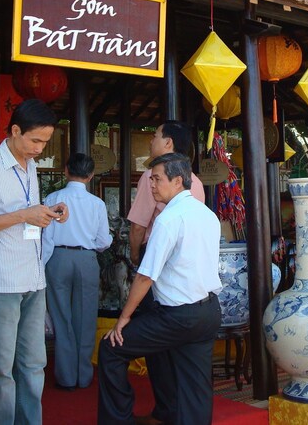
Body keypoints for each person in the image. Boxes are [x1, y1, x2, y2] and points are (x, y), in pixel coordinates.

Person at [0, 99, 69, 425]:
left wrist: (47, 213)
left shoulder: (30, 166)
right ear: (14, 131)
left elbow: (23, 216)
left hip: (34, 279)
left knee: (33, 365)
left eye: (45, 142)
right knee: (0, 369)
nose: (40, 148)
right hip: (1, 283)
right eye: (35, 140)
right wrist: (25, 214)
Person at [98, 153, 222, 425]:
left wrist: (123, 319)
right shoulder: (207, 214)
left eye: (156, 179)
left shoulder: (168, 219)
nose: (151, 185)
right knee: (195, 385)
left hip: (177, 316)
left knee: (111, 348)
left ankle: (118, 420)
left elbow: (145, 277)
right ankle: (167, 414)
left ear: (178, 181)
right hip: (208, 311)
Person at [127, 121, 205, 425]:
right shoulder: (194, 181)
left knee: (155, 339)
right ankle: (182, 411)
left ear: (169, 143)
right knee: (181, 345)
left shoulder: (152, 176)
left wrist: (136, 257)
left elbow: (137, 226)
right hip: (186, 265)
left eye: (156, 136)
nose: (150, 140)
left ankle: (165, 412)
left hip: (156, 259)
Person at [41, 153, 112, 391]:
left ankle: (66, 376)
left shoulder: (53, 197)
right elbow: (103, 241)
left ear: (66, 170)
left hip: (58, 258)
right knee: (86, 318)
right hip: (86, 259)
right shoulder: (97, 204)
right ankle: (83, 375)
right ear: (91, 175)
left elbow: (47, 239)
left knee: (61, 318)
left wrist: (41, 266)